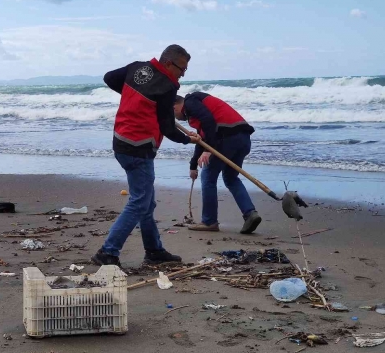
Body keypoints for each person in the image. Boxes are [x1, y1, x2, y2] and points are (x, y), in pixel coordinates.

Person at [91, 45, 202, 267]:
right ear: (169, 64)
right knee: (139, 202)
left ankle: (154, 251)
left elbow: (109, 78)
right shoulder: (167, 85)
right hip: (138, 147)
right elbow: (168, 128)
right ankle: (108, 251)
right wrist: (188, 139)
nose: (183, 74)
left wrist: (135, 98)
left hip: (121, 141)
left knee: (146, 203)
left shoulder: (137, 68)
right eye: (182, 68)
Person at [173, 92, 261, 234]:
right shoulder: (199, 106)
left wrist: (209, 150)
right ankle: (250, 213)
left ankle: (209, 222)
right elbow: (202, 139)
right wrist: (193, 165)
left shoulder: (190, 102)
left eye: (174, 114)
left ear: (175, 107)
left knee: (208, 178)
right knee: (231, 178)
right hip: (242, 138)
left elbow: (208, 122)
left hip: (225, 138)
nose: (178, 118)